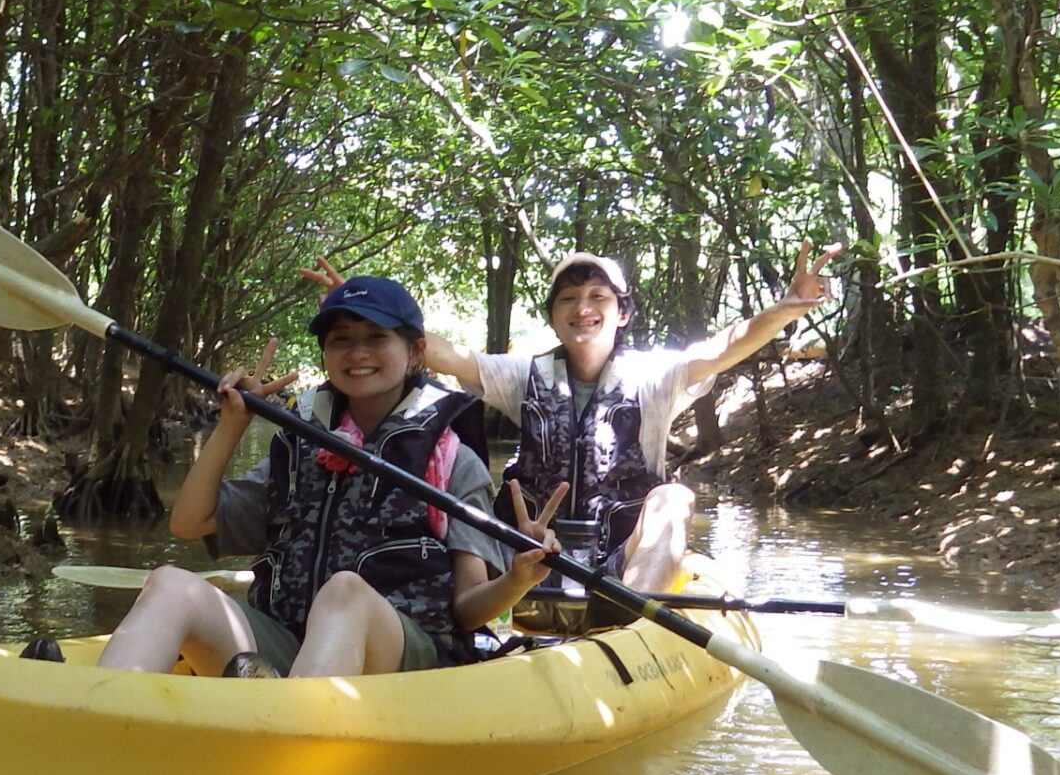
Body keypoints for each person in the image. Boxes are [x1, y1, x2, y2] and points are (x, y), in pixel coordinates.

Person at [305, 243, 838, 626]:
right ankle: (470, 620)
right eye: (568, 299)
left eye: (598, 296)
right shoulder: (523, 376)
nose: (583, 308)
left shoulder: (657, 376)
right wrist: (359, 309)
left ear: (622, 313)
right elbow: (443, 354)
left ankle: (630, 619)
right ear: (554, 318)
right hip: (531, 551)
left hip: (618, 560)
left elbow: (723, 348)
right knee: (466, 501)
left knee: (674, 497)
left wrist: (783, 310)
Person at [74, 275, 560, 679]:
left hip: (405, 661)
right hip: (294, 645)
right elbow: (187, 523)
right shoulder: (300, 444)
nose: (357, 353)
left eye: (375, 337)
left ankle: (286, 742)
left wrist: (518, 579)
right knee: (170, 582)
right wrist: (231, 426)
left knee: (345, 592)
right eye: (340, 340)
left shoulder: (454, 461)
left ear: (414, 353)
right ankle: (102, 715)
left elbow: (468, 609)